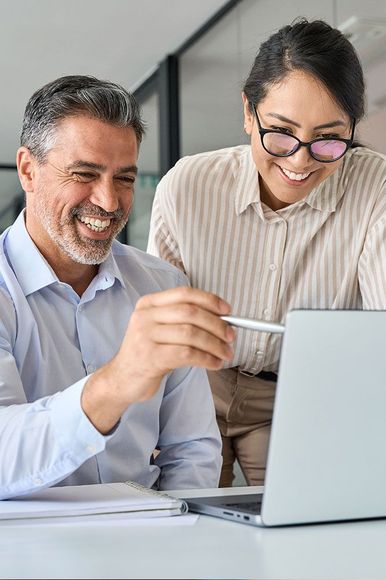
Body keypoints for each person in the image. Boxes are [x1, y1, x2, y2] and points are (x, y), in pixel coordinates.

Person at [147, 18, 386, 487]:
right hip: (195, 388)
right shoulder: (188, 185)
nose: (300, 160)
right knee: (185, 528)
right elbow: (164, 324)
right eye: (280, 132)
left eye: (328, 138)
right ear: (248, 111)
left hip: (299, 394)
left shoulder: (374, 186)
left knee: (298, 539)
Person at [0, 75, 238, 500]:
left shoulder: (162, 285)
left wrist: (175, 537)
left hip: (149, 539)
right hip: (25, 546)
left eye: (125, 179)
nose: (109, 202)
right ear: (27, 170)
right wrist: (118, 382)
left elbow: (192, 450)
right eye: (84, 173)